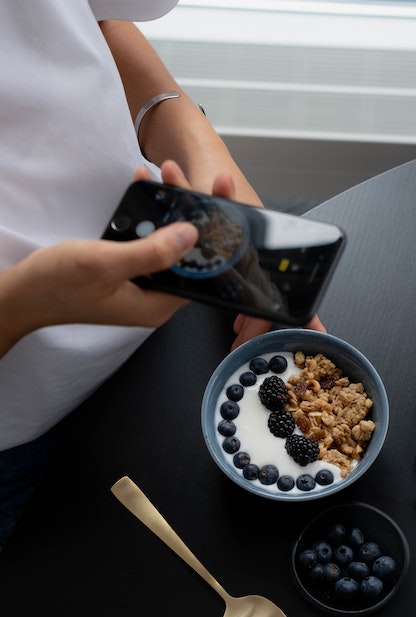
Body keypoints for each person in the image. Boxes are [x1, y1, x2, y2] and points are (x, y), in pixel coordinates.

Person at [0, 2, 324, 552]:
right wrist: (30, 304)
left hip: (168, 305)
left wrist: (197, 153)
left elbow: (84, 22)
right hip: (24, 441)